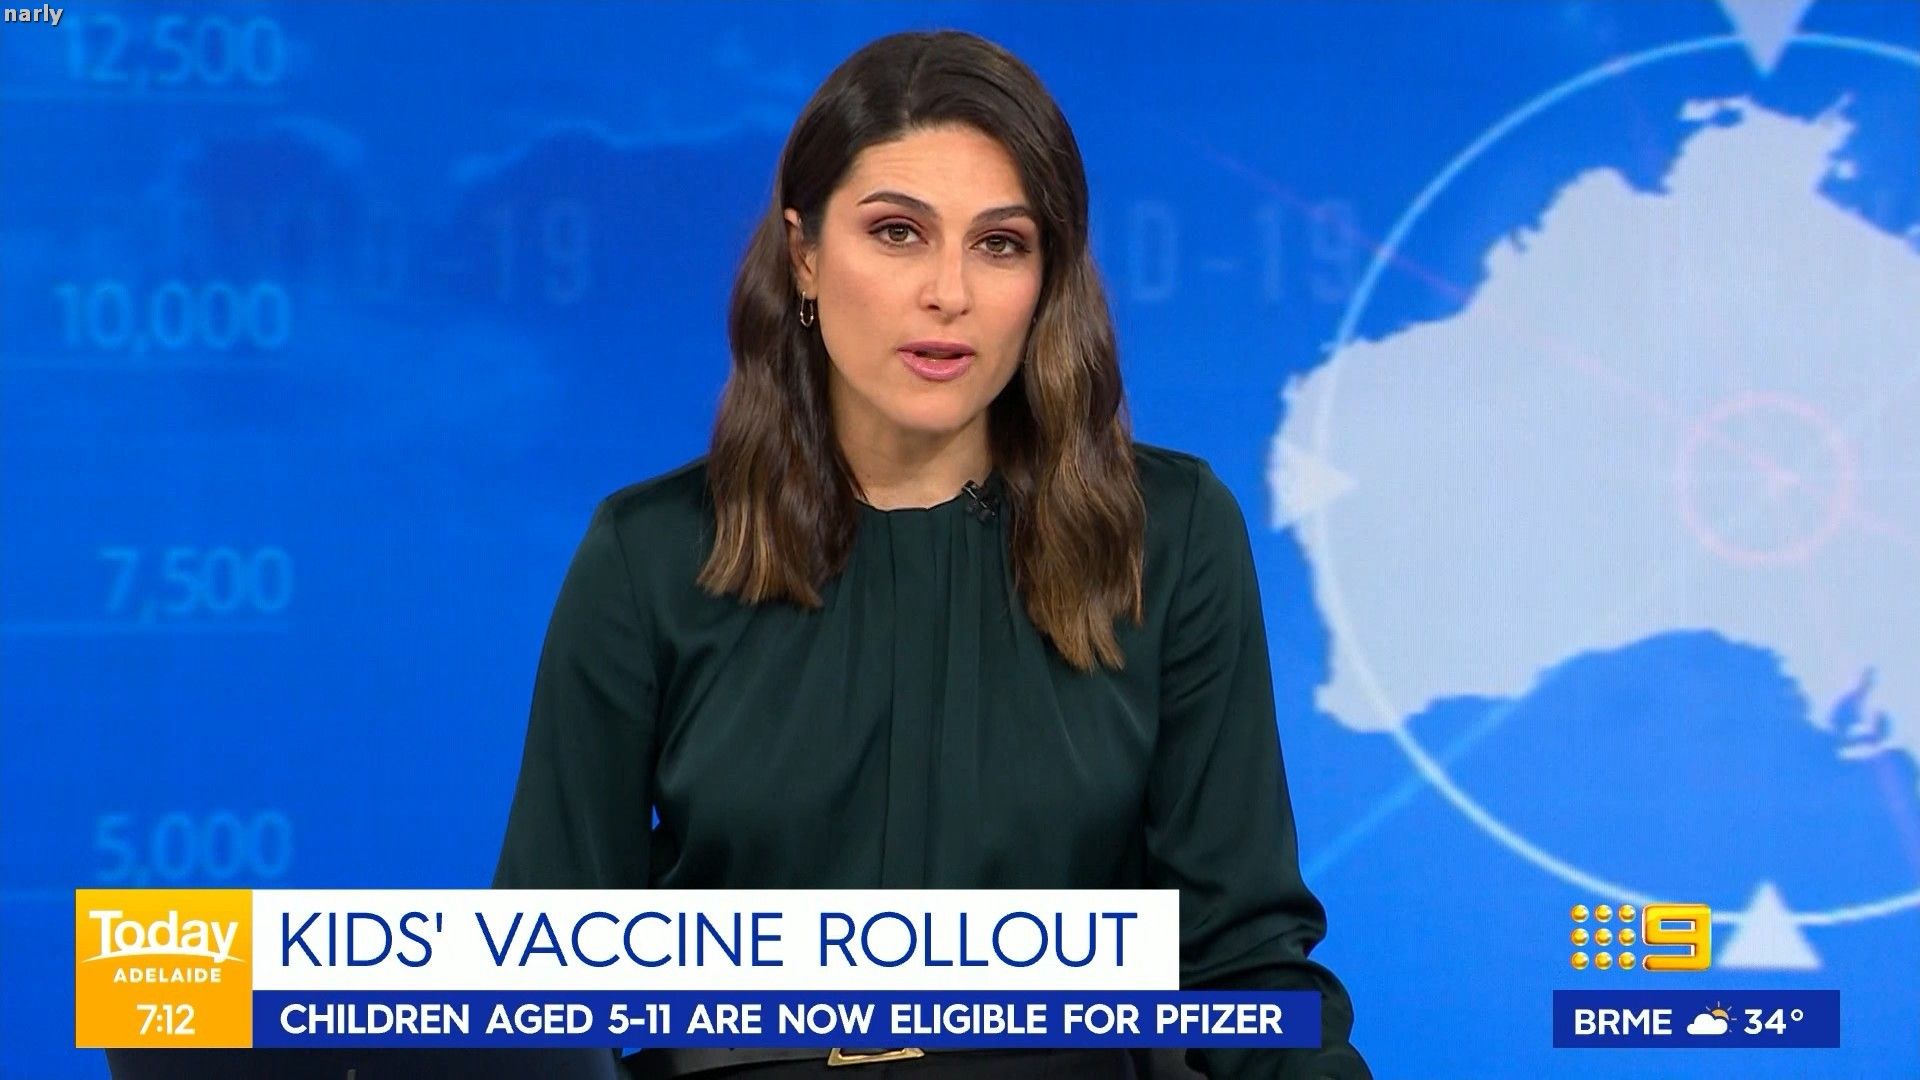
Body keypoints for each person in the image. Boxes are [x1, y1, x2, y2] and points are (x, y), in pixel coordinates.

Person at [492, 28, 1370, 1080]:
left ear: (1047, 278)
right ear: (804, 254)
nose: (948, 292)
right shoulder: (649, 556)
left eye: (1000, 244)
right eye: (898, 233)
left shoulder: (1168, 534)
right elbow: (538, 992)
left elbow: (1242, 962)